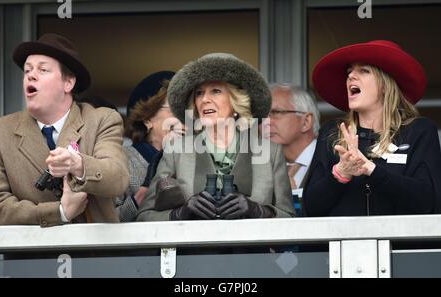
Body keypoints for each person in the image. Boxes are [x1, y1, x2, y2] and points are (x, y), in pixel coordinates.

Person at [0, 33, 129, 226]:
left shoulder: (101, 120)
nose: (30, 75)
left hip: (93, 254)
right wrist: (60, 212)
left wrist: (78, 165)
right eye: (27, 70)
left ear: (68, 83)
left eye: (43, 70)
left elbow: (118, 178)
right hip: (29, 255)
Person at [137, 53, 295, 221]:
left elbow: (289, 217)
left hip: (252, 247)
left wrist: (259, 211)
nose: (204, 99)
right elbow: (144, 217)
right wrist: (179, 214)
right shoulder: (176, 150)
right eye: (199, 93)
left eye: (215, 91)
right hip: (195, 246)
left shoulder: (271, 152)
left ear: (236, 101)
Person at [305, 40, 441, 216]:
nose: (351, 76)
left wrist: (371, 170)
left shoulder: (418, 131)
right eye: (349, 71)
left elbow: (428, 203)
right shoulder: (333, 133)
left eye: (364, 70)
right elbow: (310, 210)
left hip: (401, 243)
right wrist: (341, 173)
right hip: (343, 243)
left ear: (385, 85)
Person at [115, 71, 185, 222]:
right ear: (147, 118)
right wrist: (145, 191)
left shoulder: (196, 161)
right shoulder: (120, 160)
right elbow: (106, 222)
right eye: (175, 109)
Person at [262, 84, 320, 216]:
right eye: (263, 115)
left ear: (306, 121)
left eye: (276, 113)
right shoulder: (261, 166)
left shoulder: (333, 160)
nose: (266, 122)